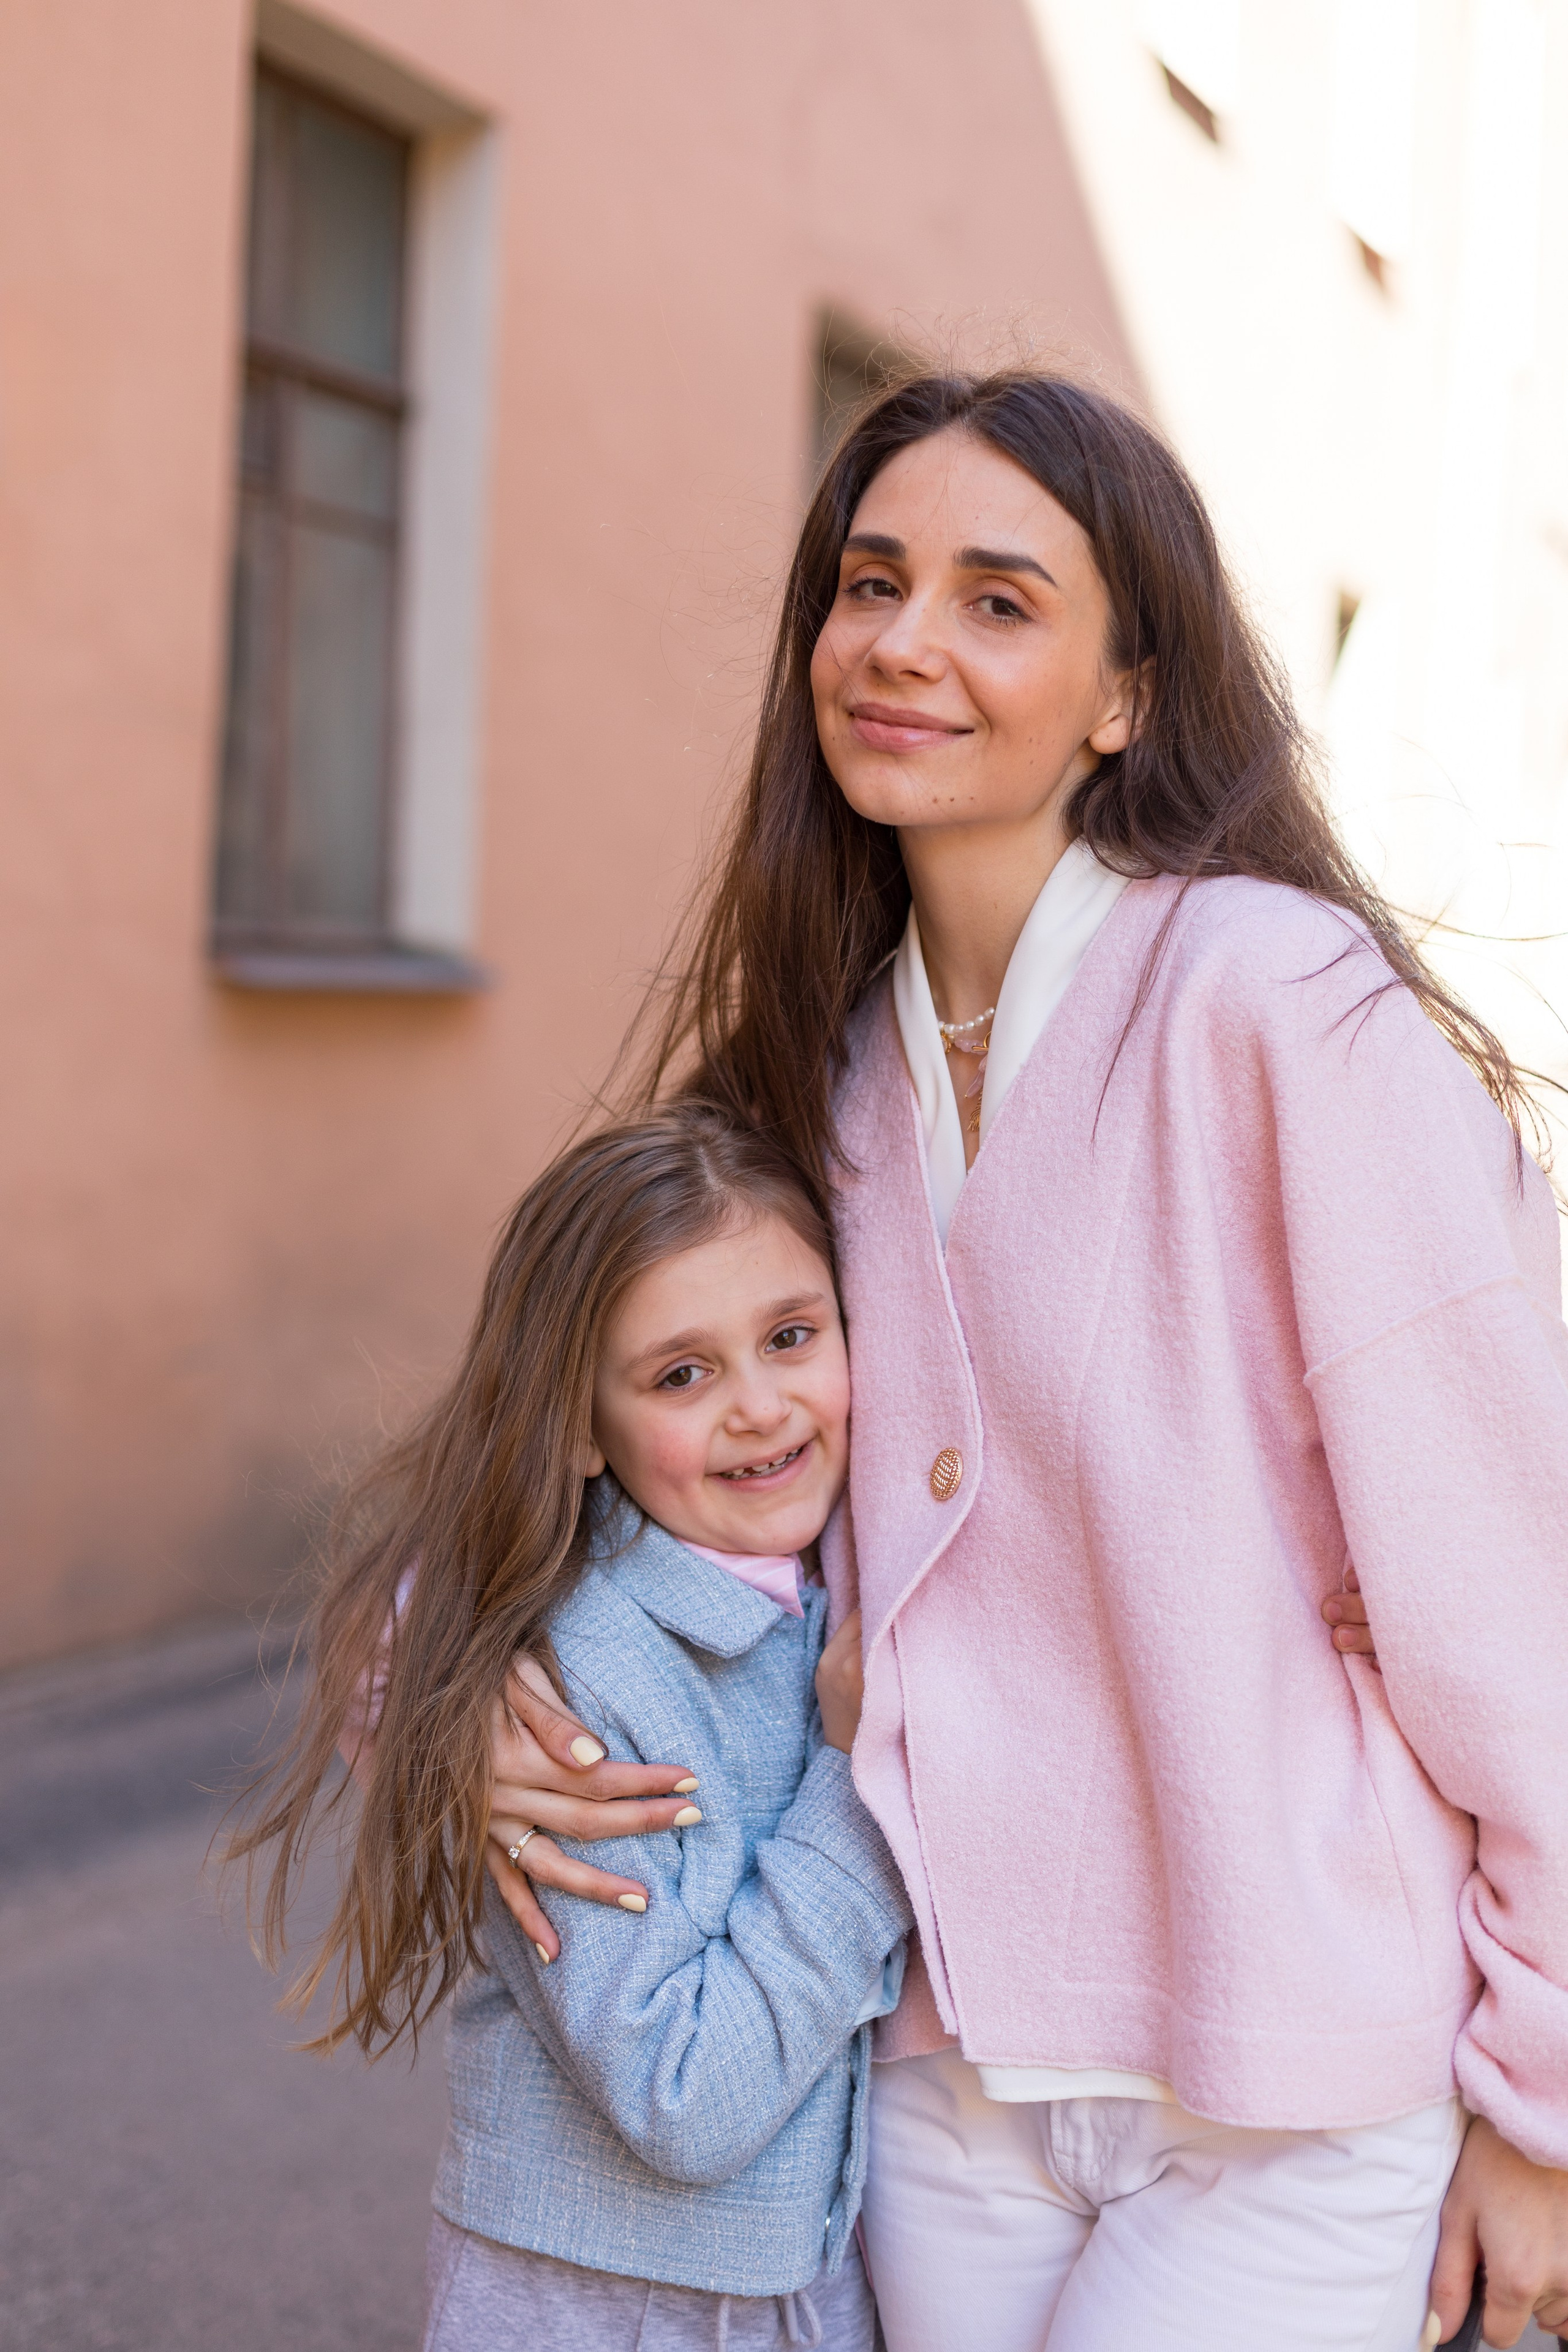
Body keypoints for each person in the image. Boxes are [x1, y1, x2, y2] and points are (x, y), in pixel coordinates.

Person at [484, 369, 1568, 2350]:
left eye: (999, 600)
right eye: (871, 581)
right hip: (939, 2069)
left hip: (1292, 2074)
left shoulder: (1278, 1003)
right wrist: (466, 1693)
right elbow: (561, 1437)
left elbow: (1515, 1586)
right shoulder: (806, 1080)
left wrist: (1549, 2102)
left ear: (1124, 695)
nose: (906, 642)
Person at [232, 1104, 913, 2350]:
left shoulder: (824, 1575)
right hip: (601, 2311)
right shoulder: (573, 1703)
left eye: (791, 1337)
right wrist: (862, 1789)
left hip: (789, 2288)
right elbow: (683, 2094)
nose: (759, 1406)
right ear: (577, 1426)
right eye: (681, 1374)